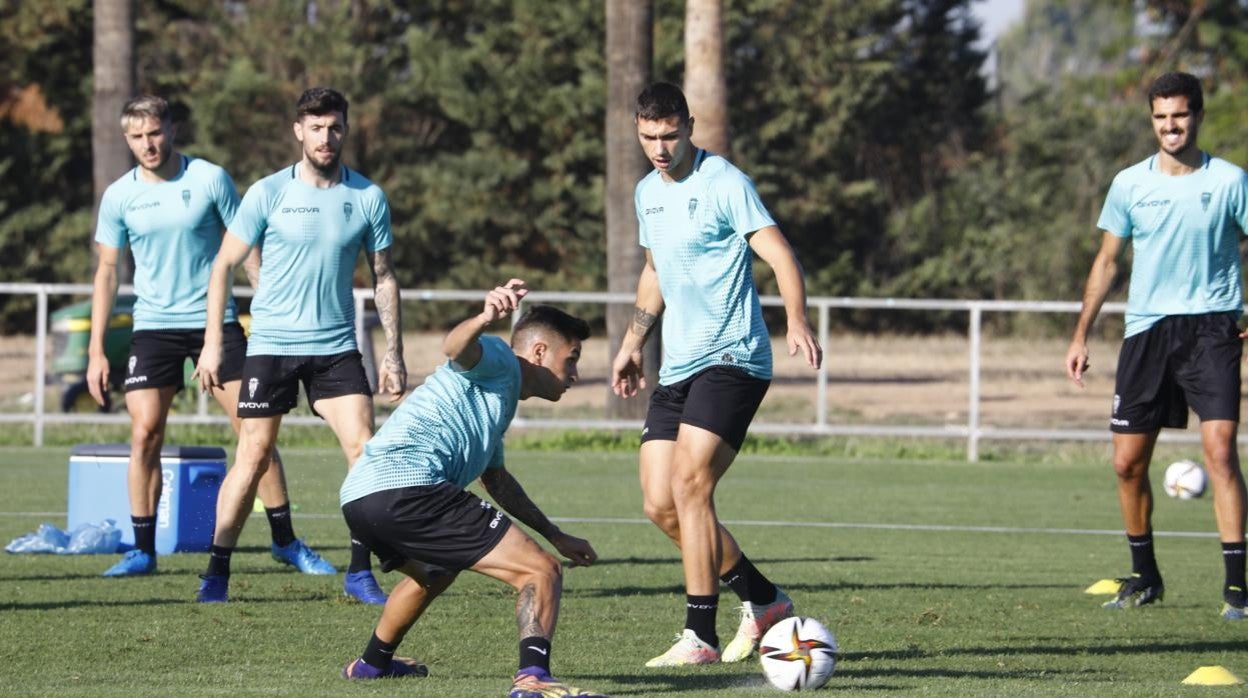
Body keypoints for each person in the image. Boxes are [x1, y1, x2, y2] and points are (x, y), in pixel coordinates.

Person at [610, 82, 824, 666]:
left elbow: (780, 254)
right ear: (638, 130)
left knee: (690, 485)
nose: (660, 147)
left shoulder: (726, 182)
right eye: (649, 136)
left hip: (733, 357)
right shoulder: (646, 194)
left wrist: (797, 319)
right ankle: (765, 601)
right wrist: (633, 343)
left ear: (689, 125)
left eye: (670, 135)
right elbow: (655, 272)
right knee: (660, 504)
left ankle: (698, 636)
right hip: (677, 364)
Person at [88, 95, 330, 579]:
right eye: (136, 137)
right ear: (126, 140)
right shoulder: (119, 195)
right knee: (144, 434)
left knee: (254, 432)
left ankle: (285, 541)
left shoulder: (209, 179)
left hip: (214, 324)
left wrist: (265, 309)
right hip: (152, 328)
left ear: (171, 129)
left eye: (154, 133)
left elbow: (248, 245)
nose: (147, 144)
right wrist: (96, 350)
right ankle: (142, 550)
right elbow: (108, 271)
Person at [338, 281, 604, 698]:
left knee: (435, 573)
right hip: (409, 488)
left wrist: (554, 533)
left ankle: (371, 665)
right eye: (571, 360)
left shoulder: (498, 399)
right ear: (538, 352)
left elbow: (496, 479)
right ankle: (533, 679)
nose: (575, 374)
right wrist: (484, 318)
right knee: (541, 570)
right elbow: (454, 347)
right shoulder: (500, 359)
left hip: (360, 498)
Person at [193, 87, 405, 605]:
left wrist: (394, 353)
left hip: (336, 346)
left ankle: (359, 571)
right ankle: (216, 571)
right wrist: (211, 343)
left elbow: (383, 276)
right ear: (298, 131)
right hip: (271, 344)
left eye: (334, 127)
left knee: (365, 450)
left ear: (345, 130)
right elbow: (223, 264)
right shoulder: (267, 192)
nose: (325, 137)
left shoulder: (367, 197)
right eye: (315, 127)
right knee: (254, 453)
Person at [1065, 71, 1248, 620]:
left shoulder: (1232, 180)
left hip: (1214, 328)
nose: (1171, 125)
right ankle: (1145, 577)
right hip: (1147, 332)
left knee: (1219, 452)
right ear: (1152, 119)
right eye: (1161, 116)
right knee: (1126, 464)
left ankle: (1237, 588)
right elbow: (1106, 262)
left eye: (1181, 114)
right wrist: (1080, 334)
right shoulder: (1129, 184)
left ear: (1197, 116)